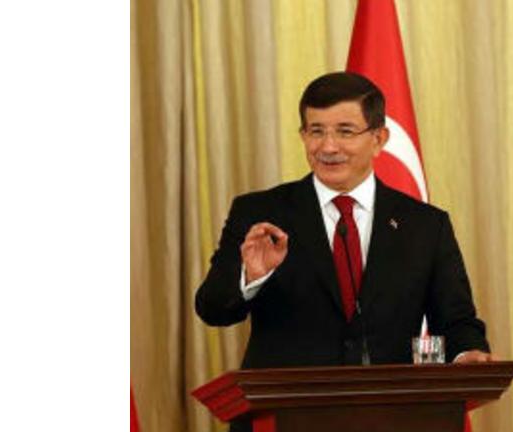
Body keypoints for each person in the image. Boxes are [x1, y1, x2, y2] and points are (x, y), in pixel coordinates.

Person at [195, 72, 494, 373]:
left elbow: (456, 320)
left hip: (389, 401)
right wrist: (250, 276)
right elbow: (212, 309)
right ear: (303, 136)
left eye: (345, 132)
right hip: (286, 401)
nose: (328, 147)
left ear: (379, 139)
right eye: (316, 131)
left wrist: (467, 354)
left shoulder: (425, 225)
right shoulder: (260, 213)